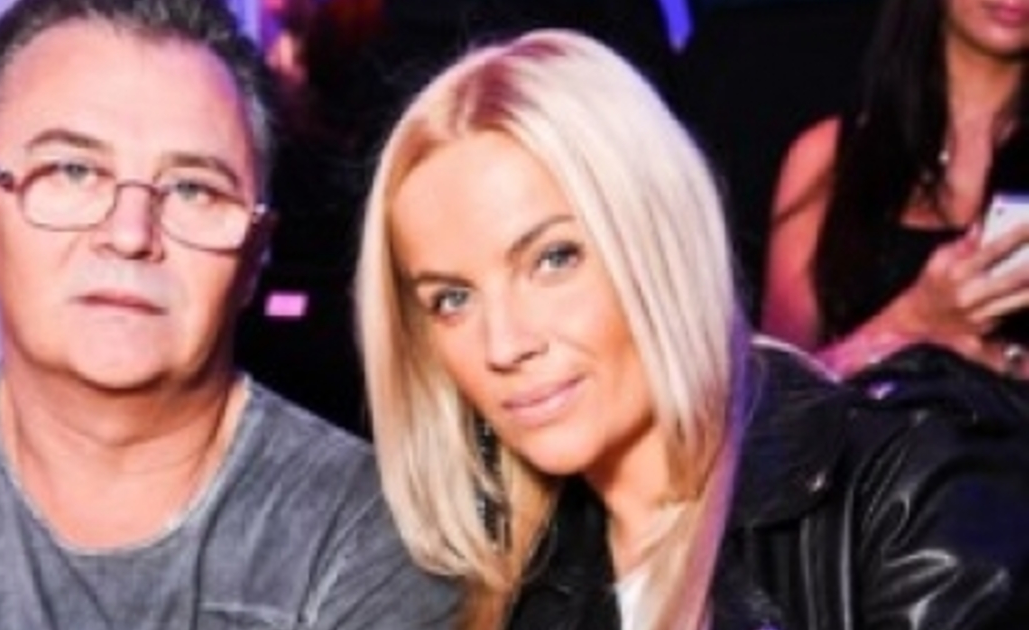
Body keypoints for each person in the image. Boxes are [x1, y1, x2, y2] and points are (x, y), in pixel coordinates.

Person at [354, 28, 1029, 629]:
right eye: (452, 299)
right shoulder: (523, 590)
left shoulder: (909, 496)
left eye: (554, 259)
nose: (504, 344)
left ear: (660, 235)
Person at [0, 1, 459, 628]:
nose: (130, 234)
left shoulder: (368, 535)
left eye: (192, 189)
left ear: (255, 253)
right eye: (73, 171)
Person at [763, 0, 1029, 378]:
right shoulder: (829, 159)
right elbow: (780, 394)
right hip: (863, 417)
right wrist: (912, 321)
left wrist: (1006, 363)